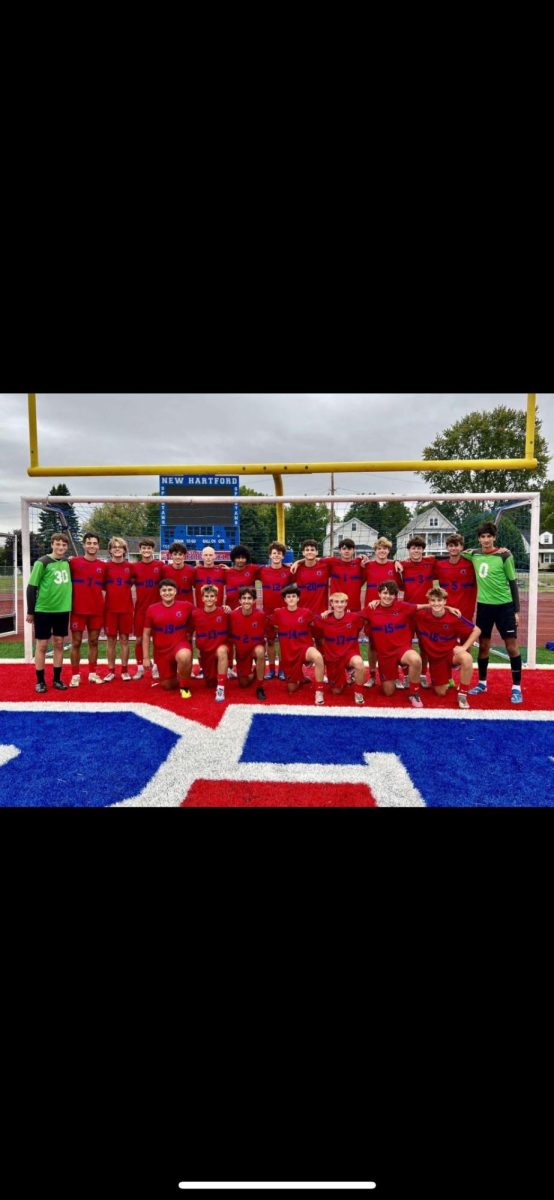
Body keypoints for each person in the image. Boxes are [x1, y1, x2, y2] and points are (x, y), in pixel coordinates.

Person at [462, 521, 523, 703]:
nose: (486, 540)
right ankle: (482, 683)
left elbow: (512, 583)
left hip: (505, 607)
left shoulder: (505, 556)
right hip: (484, 607)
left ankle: (516, 687)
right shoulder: (474, 554)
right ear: (479, 539)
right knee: (484, 646)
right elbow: (460, 552)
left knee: (511, 646)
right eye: (483, 537)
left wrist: (516, 611)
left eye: (489, 536)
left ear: (494, 537)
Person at [361, 581, 427, 708]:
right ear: (379, 594)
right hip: (385, 655)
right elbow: (353, 617)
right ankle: (393, 676)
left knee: (416, 659)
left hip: (402, 650)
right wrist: (329, 614)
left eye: (391, 594)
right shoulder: (371, 609)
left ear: (395, 596)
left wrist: (448, 608)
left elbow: (424, 606)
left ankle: (414, 693)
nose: (388, 596)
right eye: (385, 593)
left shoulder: (402, 606)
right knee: (388, 692)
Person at [415, 587, 481, 709]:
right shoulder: (421, 615)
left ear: (445, 601)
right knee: (440, 693)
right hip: (436, 659)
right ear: (429, 602)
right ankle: (448, 678)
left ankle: (462, 694)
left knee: (467, 658)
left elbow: (477, 630)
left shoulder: (453, 616)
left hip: (451, 653)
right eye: (433, 600)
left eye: (439, 600)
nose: (436, 603)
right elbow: (403, 607)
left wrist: (464, 647)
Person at [26, 532, 72, 693]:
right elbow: (31, 587)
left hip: (62, 610)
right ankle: (40, 681)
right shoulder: (42, 562)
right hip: (44, 610)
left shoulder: (67, 562)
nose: (60, 547)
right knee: (42, 645)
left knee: (59, 643)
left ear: (67, 547)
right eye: (58, 544)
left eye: (64, 545)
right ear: (52, 544)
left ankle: (57, 679)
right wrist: (31, 611)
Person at [266, 584, 325, 704]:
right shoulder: (278, 613)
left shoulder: (306, 612)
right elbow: (265, 621)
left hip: (304, 648)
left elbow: (319, 625)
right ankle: (301, 678)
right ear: (285, 599)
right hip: (289, 654)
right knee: (291, 689)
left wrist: (328, 614)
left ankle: (319, 691)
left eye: (294, 596)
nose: (291, 599)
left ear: (298, 598)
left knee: (318, 657)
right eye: (288, 597)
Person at [396, 536, 439, 689]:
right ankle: (407, 676)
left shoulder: (430, 561)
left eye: (419, 548)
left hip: (426, 611)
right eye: (413, 548)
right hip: (408, 611)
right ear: (409, 550)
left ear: (423, 550)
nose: (416, 551)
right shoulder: (403, 564)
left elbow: (448, 556)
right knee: (405, 645)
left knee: (425, 645)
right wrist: (396, 562)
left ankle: (422, 675)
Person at [312, 593, 367, 705]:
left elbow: (369, 615)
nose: (339, 604)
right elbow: (310, 621)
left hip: (349, 653)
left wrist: (374, 602)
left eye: (342, 602)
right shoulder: (324, 619)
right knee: (336, 691)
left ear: (346, 603)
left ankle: (359, 693)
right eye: (336, 602)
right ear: (331, 604)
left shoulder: (354, 618)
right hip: (333, 657)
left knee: (359, 663)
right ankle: (344, 675)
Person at [142, 580, 193, 698]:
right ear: (160, 593)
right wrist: (145, 657)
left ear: (175, 591)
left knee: (184, 656)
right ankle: (176, 675)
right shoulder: (152, 609)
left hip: (179, 645)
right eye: (164, 590)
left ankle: (184, 687)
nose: (167, 593)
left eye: (170, 590)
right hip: (161, 651)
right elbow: (146, 634)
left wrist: (223, 609)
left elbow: (202, 613)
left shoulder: (186, 606)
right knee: (168, 686)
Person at [68, 531, 106, 686]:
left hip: (96, 609)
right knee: (76, 643)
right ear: (83, 545)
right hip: (78, 609)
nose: (92, 546)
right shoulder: (73, 562)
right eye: (89, 543)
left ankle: (92, 673)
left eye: (94, 543)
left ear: (98, 546)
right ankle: (75, 675)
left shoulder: (103, 566)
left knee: (94, 641)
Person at [363, 537, 399, 688]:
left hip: (391, 610)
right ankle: (371, 675)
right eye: (379, 548)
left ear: (389, 551)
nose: (382, 551)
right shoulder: (367, 565)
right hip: (372, 609)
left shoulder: (395, 565)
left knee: (392, 644)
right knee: (372, 643)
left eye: (385, 548)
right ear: (375, 550)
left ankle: (395, 676)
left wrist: (397, 562)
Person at [100, 536, 135, 682]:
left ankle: (125, 671)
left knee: (125, 640)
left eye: (119, 547)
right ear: (110, 550)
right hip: (110, 609)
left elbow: (132, 583)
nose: (117, 549)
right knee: (111, 641)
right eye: (114, 547)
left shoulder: (131, 567)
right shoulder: (105, 567)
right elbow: (102, 586)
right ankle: (111, 671)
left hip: (126, 609)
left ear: (124, 550)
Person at [256, 541, 291, 679]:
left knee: (283, 642)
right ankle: (271, 669)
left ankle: (282, 670)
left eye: (280, 554)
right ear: (270, 555)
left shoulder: (288, 571)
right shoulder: (263, 571)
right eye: (274, 553)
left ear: (283, 556)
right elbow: (245, 570)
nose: (277, 556)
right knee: (270, 642)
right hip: (268, 612)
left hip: (284, 613)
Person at [131, 538, 165, 680]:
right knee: (139, 640)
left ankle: (156, 667)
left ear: (153, 550)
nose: (146, 551)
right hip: (141, 609)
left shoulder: (160, 565)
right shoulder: (135, 567)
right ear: (140, 550)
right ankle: (140, 668)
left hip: (157, 610)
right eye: (144, 548)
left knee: (158, 640)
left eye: (149, 548)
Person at [189, 584, 230, 701]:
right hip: (206, 653)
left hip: (220, 648)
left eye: (212, 596)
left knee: (222, 651)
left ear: (217, 598)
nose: (209, 599)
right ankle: (216, 676)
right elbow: (189, 633)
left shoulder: (224, 612)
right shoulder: (195, 614)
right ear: (202, 598)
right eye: (206, 596)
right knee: (210, 683)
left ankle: (221, 688)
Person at [228, 587, 269, 700]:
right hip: (242, 652)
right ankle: (256, 673)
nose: (246, 601)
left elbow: (269, 629)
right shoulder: (232, 615)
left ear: (254, 601)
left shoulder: (261, 615)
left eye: (249, 598)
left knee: (260, 652)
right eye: (244, 598)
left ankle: (260, 687)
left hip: (255, 648)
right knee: (243, 684)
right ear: (240, 601)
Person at [435, 534, 478, 622]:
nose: (453, 548)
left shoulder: (471, 564)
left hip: (466, 612)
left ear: (462, 547)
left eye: (456, 545)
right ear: (447, 547)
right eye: (451, 546)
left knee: (467, 635)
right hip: (447, 610)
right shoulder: (439, 565)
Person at [289, 539, 333, 614]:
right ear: (303, 553)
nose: (309, 552)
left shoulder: (325, 567)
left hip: (321, 613)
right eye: (307, 550)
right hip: (302, 612)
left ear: (317, 552)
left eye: (312, 550)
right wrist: (297, 562)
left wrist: (298, 561)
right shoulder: (296, 568)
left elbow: (339, 562)